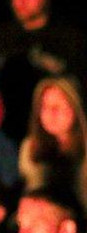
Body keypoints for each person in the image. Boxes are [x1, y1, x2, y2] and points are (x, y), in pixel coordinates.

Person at [0, 0, 87, 140]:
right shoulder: (0, 39)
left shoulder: (70, 40)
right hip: (9, 137)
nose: (21, 0)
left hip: (58, 138)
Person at [19, 76, 87, 215]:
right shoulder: (30, 148)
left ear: (76, 107)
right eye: (45, 106)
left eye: (59, 105)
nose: (51, 113)